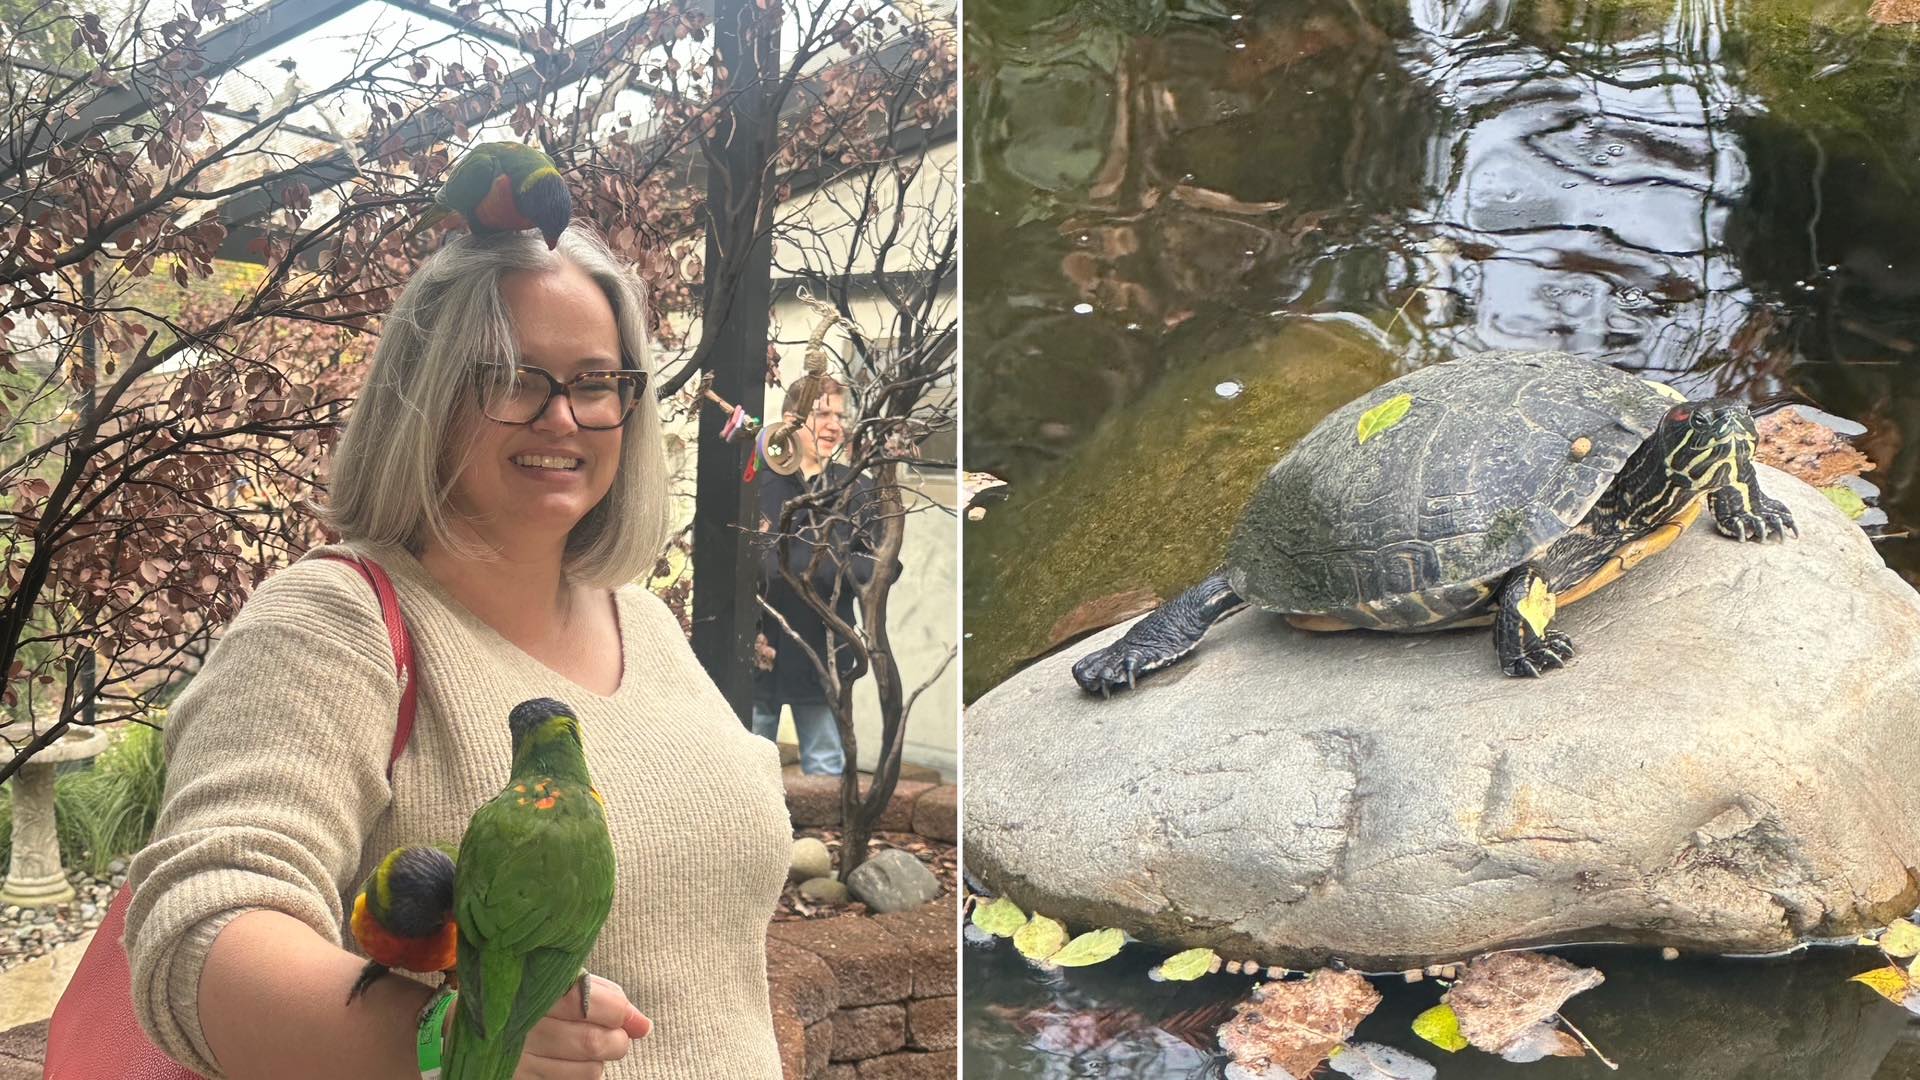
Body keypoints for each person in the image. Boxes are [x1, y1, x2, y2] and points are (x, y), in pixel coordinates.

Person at [123, 223, 792, 1079]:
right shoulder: (334, 622)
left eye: (597, 382)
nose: (563, 415)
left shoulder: (647, 623)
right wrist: (451, 1045)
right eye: (512, 378)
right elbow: (197, 931)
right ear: (424, 397)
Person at [750, 378, 889, 775]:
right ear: (792, 420)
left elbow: (882, 563)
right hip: (763, 642)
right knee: (747, 762)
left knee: (826, 762)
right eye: (822, 413)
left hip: (827, 642)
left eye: (840, 415)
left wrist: (823, 567)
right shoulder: (759, 483)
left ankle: (822, 840)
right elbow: (734, 557)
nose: (834, 425)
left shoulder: (857, 487)